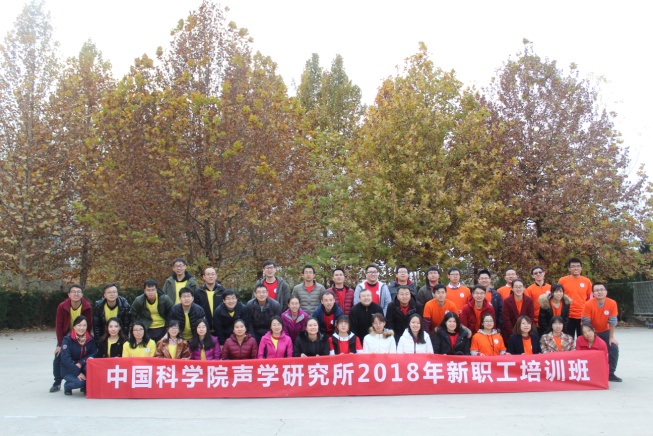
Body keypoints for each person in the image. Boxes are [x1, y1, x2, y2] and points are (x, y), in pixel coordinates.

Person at [51, 284, 93, 393]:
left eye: (78, 292)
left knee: (83, 356)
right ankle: (57, 382)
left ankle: (83, 381)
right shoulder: (62, 306)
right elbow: (59, 326)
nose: (76, 294)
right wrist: (60, 344)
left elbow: (88, 324)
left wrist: (85, 338)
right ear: (69, 294)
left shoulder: (87, 306)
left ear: (82, 294)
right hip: (67, 336)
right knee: (59, 356)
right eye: (73, 292)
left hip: (81, 334)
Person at [582, 283, 621, 382]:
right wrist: (591, 337)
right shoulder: (588, 304)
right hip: (591, 333)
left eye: (602, 289)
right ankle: (590, 373)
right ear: (593, 293)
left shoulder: (612, 303)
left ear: (606, 291)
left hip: (605, 331)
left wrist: (611, 337)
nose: (599, 292)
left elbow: (613, 322)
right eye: (597, 290)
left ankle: (610, 373)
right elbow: (586, 323)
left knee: (614, 348)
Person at [60, 315, 96, 396]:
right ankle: (67, 386)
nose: (82, 328)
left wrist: (81, 362)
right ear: (74, 326)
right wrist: (77, 373)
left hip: (82, 366)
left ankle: (85, 386)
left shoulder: (90, 338)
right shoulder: (67, 339)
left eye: (84, 325)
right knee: (80, 382)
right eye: (79, 325)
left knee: (89, 379)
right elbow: (65, 359)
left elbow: (94, 353)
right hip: (69, 369)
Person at [558, 257, 592, 338]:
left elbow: (589, 299)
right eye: (573, 266)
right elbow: (558, 297)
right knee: (568, 339)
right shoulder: (562, 280)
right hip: (568, 315)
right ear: (569, 268)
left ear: (581, 268)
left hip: (582, 316)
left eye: (578, 266)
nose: (576, 268)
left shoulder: (587, 281)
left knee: (583, 339)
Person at [194, 266, 227, 335]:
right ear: (204, 277)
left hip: (221, 327)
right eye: (208, 274)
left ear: (216, 276)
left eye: (212, 274)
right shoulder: (198, 292)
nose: (210, 276)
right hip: (204, 329)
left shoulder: (223, 291)